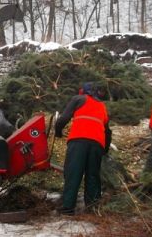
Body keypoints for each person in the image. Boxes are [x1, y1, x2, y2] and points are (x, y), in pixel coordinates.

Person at [55, 82, 112, 215]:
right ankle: (93, 207)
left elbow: (64, 118)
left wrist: (58, 131)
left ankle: (68, 207)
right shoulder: (102, 106)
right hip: (97, 143)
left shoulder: (79, 99)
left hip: (79, 140)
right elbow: (108, 132)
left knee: (73, 172)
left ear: (84, 91)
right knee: (93, 175)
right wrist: (105, 149)